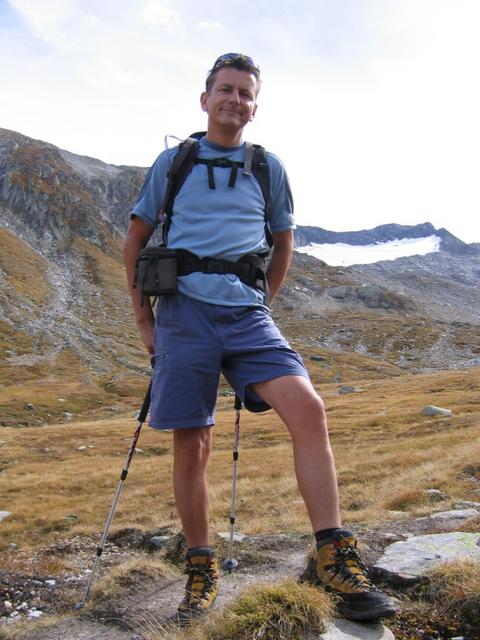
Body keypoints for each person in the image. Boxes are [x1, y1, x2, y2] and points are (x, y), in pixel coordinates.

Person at [124, 53, 396, 625]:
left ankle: (332, 557)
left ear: (255, 106)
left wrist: (261, 301)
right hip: (183, 313)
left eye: (245, 93)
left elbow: (283, 241)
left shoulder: (269, 169)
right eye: (225, 90)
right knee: (193, 443)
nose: (235, 100)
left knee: (308, 408)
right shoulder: (173, 163)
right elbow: (136, 239)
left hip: (247, 314)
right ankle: (201, 569)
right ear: (205, 99)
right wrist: (145, 321)